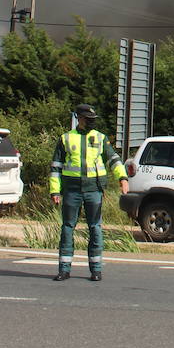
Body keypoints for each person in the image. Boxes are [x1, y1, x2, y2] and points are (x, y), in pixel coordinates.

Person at [48, 104, 128, 281]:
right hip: (72, 190)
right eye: (88, 120)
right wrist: (55, 190)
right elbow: (56, 167)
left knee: (95, 228)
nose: (92, 123)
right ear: (79, 118)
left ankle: (96, 270)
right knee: (68, 228)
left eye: (93, 120)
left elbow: (114, 159)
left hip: (94, 190)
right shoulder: (66, 138)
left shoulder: (100, 138)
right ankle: (64, 269)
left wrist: (122, 178)